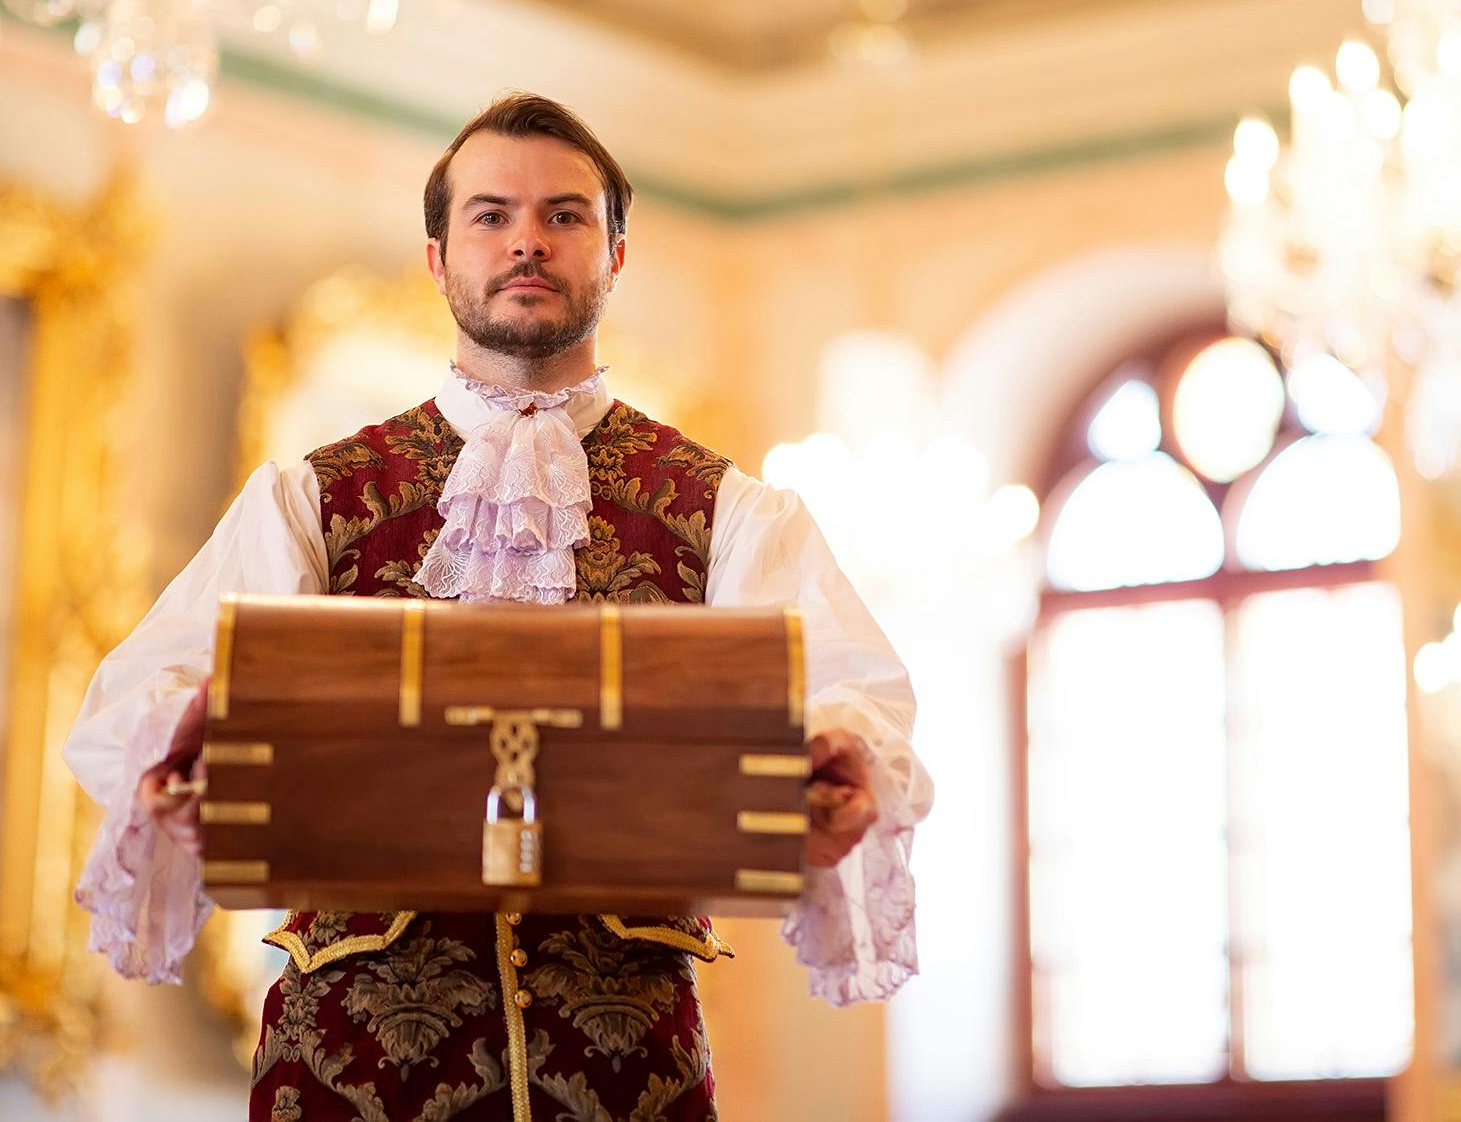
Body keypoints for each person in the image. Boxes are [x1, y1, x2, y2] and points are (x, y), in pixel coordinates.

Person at [63, 93, 931, 1121]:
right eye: (489, 214)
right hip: (350, 1065)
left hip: (625, 1072)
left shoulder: (730, 512)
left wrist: (838, 764)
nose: (526, 239)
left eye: (563, 215)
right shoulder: (310, 498)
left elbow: (849, 696)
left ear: (615, 252)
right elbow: (139, 695)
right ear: (437, 257)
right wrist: (176, 750)